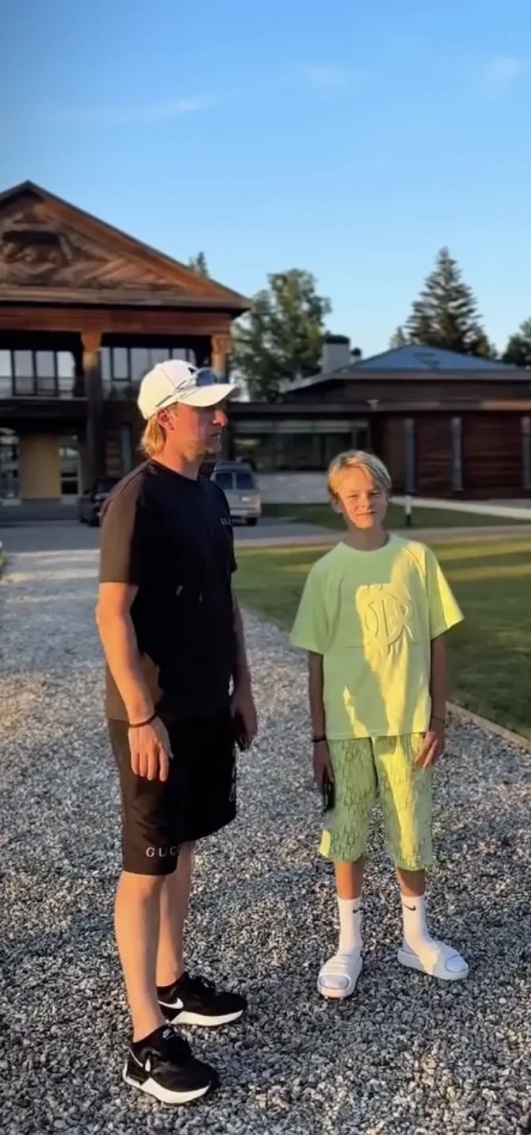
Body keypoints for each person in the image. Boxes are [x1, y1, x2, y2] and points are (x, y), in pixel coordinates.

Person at [95, 359, 258, 1105]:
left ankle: (172, 981)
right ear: (165, 418)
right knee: (146, 864)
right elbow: (111, 614)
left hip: (205, 708)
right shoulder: (137, 499)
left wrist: (242, 687)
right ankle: (145, 1039)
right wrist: (140, 712)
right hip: (153, 716)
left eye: (218, 408)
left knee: (185, 844)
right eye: (204, 410)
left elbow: (226, 600)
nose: (219, 419)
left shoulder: (211, 496)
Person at [289, 450, 468, 1000]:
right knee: (346, 833)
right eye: (352, 494)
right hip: (347, 728)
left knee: (411, 833)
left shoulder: (417, 559)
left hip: (409, 723)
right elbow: (316, 660)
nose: (364, 502)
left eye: (373, 492)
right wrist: (319, 737)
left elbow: (437, 642)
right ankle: (349, 944)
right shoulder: (326, 572)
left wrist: (438, 716)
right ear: (336, 503)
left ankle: (416, 938)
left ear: (387, 495)